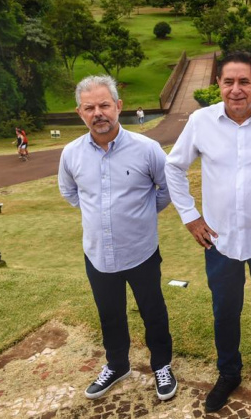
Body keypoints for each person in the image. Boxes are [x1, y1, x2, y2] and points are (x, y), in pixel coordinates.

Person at [165, 52, 251, 412]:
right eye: (228, 81)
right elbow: (174, 166)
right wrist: (190, 216)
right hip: (220, 239)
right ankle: (228, 372)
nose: (236, 89)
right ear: (218, 85)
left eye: (244, 81)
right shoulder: (201, 121)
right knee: (225, 309)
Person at [58, 75, 177, 402]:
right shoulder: (71, 154)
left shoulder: (147, 149)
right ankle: (117, 364)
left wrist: (139, 216)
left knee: (153, 311)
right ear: (79, 112)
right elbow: (69, 192)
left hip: (141, 251)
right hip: (97, 254)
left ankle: (162, 365)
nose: (98, 113)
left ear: (118, 107)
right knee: (109, 313)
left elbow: (166, 190)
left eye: (104, 105)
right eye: (89, 107)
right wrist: (100, 215)